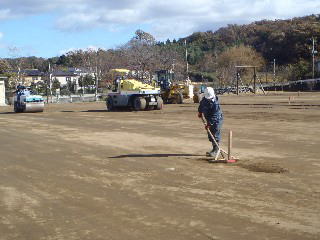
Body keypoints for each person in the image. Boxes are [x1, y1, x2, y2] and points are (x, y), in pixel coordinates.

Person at [197, 87, 223, 157]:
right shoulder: (204, 99)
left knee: (215, 134)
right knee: (210, 134)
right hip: (209, 118)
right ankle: (214, 149)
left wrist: (209, 124)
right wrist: (200, 112)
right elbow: (201, 106)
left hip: (216, 120)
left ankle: (216, 150)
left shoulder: (215, 104)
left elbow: (215, 116)